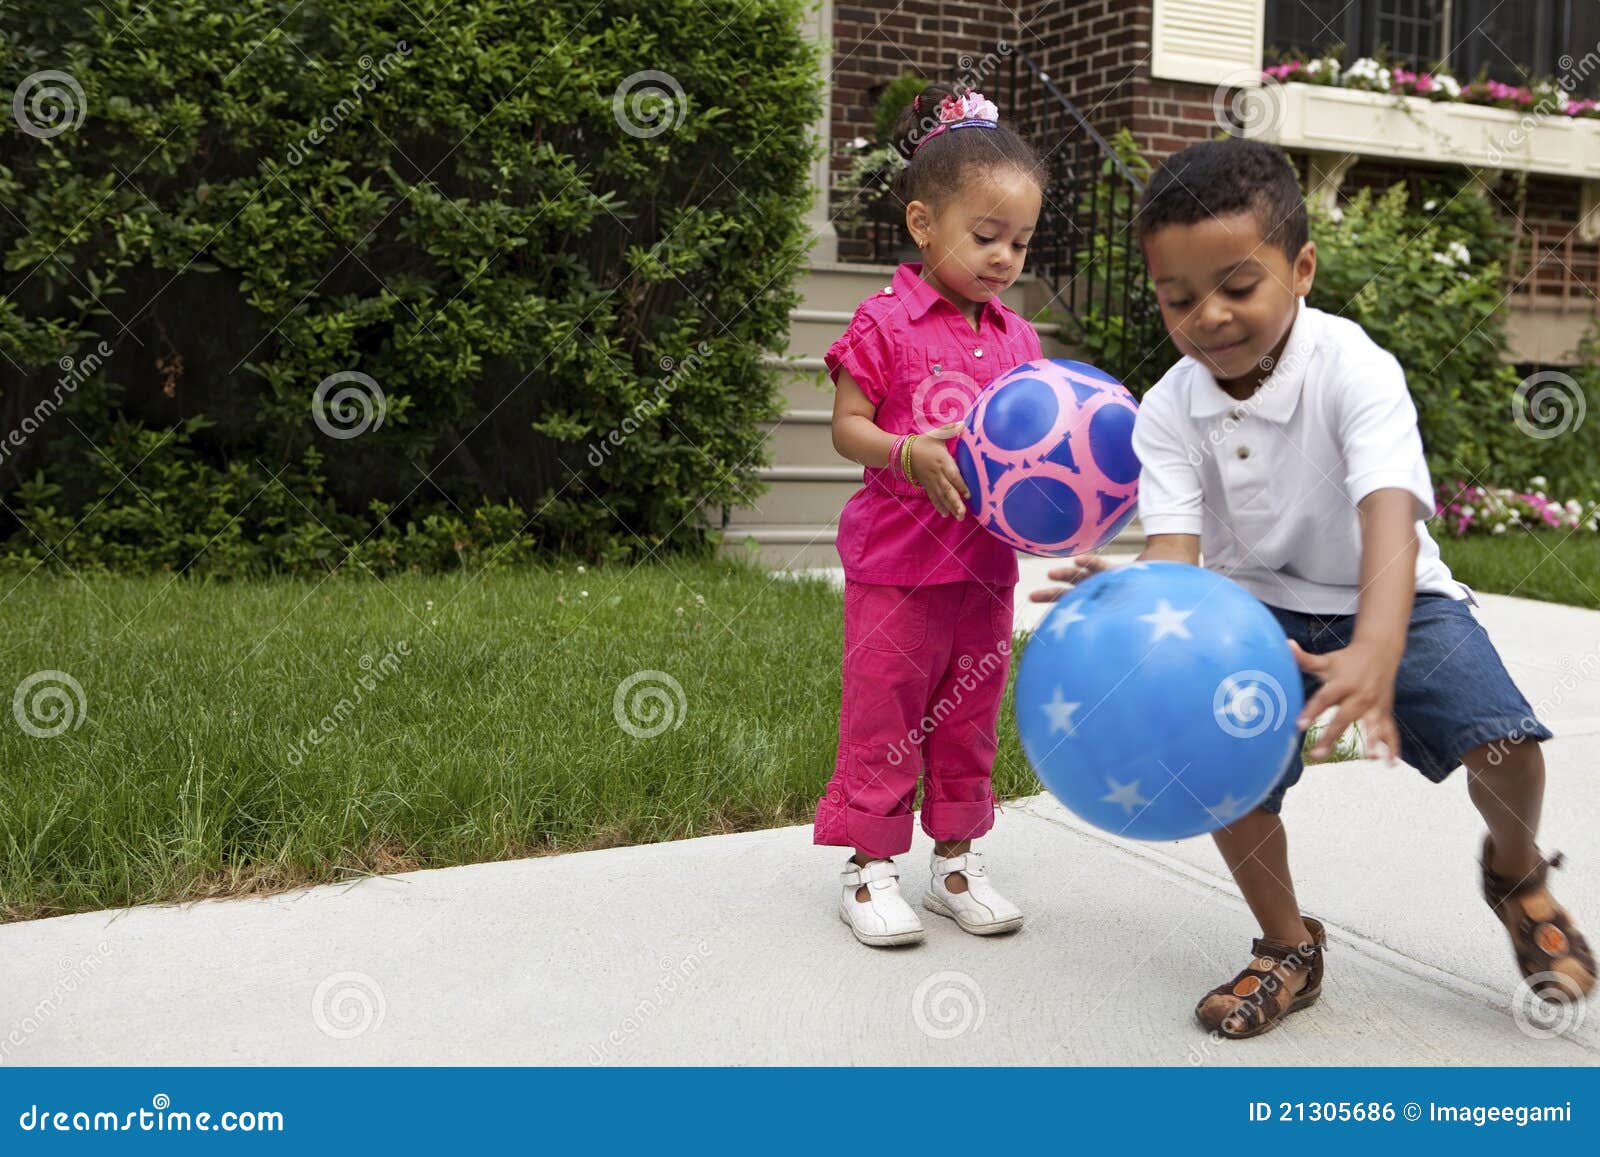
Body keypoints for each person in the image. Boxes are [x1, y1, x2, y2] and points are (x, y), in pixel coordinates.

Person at [1032, 138, 1593, 1033]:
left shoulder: (1354, 368)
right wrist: (1128, 602)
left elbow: (1389, 517)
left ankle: (1516, 872)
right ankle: (1287, 942)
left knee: (1506, 739)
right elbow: (1177, 553)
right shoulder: (1173, 406)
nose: (1208, 316)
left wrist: (1376, 645)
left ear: (1301, 269)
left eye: (1237, 287)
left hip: (1394, 591)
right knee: (1226, 777)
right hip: (1248, 608)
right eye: (1179, 299)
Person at [814, 84, 1045, 946]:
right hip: (899, 565)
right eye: (984, 237)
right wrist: (908, 449)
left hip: (984, 566)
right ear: (922, 224)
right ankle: (869, 867)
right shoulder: (885, 322)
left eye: (1019, 242)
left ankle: (955, 861)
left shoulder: (1019, 339)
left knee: (968, 715)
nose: (1003, 257)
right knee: (887, 710)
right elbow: (847, 428)